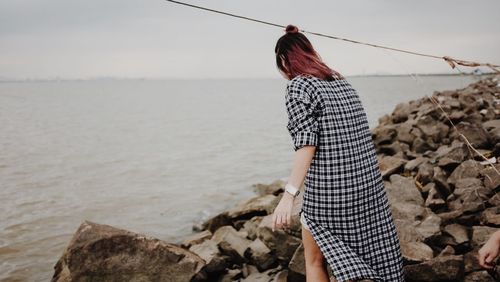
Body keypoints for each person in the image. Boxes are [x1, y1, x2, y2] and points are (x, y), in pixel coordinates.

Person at [271, 24, 404, 282]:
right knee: (372, 255)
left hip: (332, 199)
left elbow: (307, 143)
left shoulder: (298, 86)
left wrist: (289, 196)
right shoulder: (340, 82)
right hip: (368, 191)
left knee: (314, 261)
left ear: (285, 60)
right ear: (310, 52)